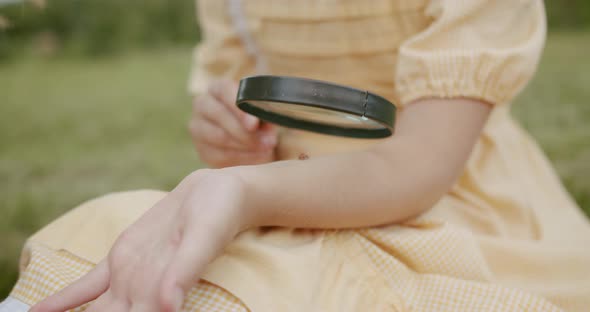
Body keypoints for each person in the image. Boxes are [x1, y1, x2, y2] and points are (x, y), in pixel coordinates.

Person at [1, 0, 589, 311]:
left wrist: (244, 192)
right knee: (115, 236)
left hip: (445, 197)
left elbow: (421, 163)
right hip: (284, 188)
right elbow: (246, 96)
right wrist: (228, 138)